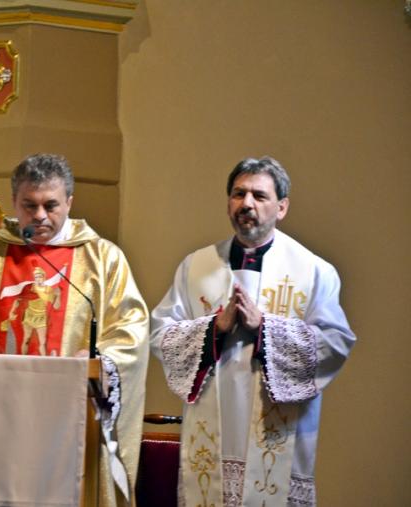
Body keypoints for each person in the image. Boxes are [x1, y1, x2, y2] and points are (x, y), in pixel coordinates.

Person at [0, 153, 149, 506]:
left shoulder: (102, 258)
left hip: (67, 420)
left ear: (69, 202)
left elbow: (131, 328)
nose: (40, 215)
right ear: (14, 202)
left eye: (50, 205)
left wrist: (100, 359)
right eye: (30, 205)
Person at [150, 157, 355, 507]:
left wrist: (266, 328)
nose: (246, 203)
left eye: (259, 196)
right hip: (211, 431)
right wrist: (215, 328)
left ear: (282, 207)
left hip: (278, 435)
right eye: (238, 194)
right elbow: (160, 335)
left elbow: (335, 343)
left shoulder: (313, 271)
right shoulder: (196, 266)